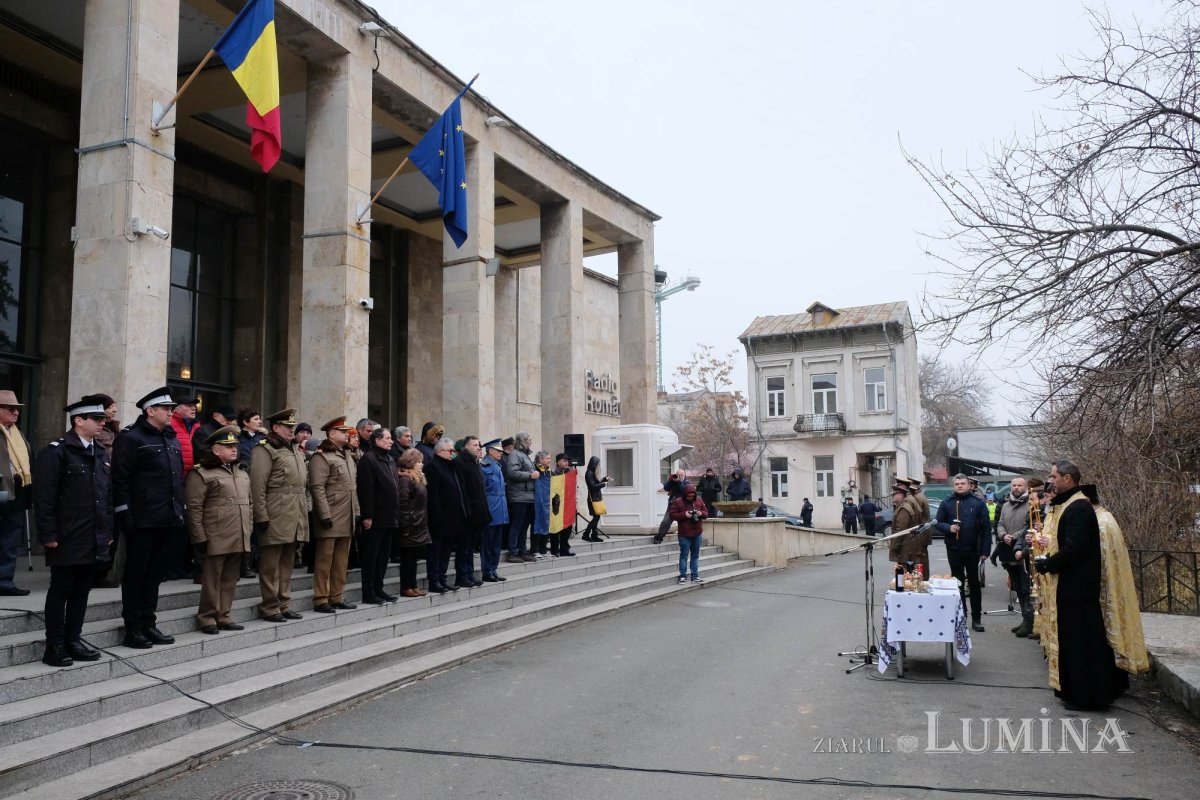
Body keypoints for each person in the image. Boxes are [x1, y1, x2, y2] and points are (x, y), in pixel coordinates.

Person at [1034, 462, 1143, 711]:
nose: (1050, 481)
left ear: (1067, 479)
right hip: (1072, 587)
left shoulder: (1079, 508)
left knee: (1081, 644)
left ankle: (1087, 696)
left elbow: (1075, 548)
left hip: (1078, 589)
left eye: (1054, 476)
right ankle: (1074, 692)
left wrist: (1048, 564)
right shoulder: (1071, 506)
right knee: (1074, 643)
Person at [33, 398, 113, 666]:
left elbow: (106, 496)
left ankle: (73, 640)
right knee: (61, 590)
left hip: (93, 534)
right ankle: (55, 645)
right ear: (79, 420)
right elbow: (44, 498)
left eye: (103, 419)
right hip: (67, 535)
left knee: (82, 590)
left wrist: (107, 531)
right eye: (97, 419)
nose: (102, 423)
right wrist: (48, 534)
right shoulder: (56, 452)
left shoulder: (99, 451)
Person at [112, 387, 185, 648]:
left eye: (171, 408)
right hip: (142, 520)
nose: (170, 412)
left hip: (167, 518)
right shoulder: (131, 438)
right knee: (136, 575)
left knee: (155, 576)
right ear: (150, 411)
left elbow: (176, 479)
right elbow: (120, 479)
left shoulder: (171, 437)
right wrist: (125, 513)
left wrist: (179, 511)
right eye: (165, 409)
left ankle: (148, 622)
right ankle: (132, 627)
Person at [186, 425, 252, 635]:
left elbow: (249, 503)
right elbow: (194, 507)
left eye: (235, 446)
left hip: (238, 532)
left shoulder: (241, 472)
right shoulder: (201, 472)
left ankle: (224, 615)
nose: (234, 449)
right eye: (228, 446)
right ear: (215, 450)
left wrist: (248, 528)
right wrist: (199, 536)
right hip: (215, 533)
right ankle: (207, 617)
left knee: (230, 578)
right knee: (212, 579)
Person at [249, 408, 310, 622]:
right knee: (270, 565)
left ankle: (284, 604)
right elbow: (257, 486)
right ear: (275, 427)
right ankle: (270, 606)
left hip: (295, 513)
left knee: (287, 563)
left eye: (293, 426)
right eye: (287, 426)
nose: (292, 430)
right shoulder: (265, 449)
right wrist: (261, 515)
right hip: (275, 513)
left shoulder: (294, 449)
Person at [308, 417, 359, 613]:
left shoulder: (347, 455)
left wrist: (357, 512)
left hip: (346, 514)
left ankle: (337, 596)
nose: (347, 434)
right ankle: (321, 598)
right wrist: (324, 515)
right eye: (342, 431)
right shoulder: (322, 457)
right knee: (324, 560)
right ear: (331, 434)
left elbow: (353, 488)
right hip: (331, 513)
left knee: (341, 560)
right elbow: (317, 487)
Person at [935, 472, 991, 632]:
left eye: (962, 483)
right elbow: (937, 522)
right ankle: (961, 617)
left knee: (974, 585)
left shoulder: (978, 503)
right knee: (957, 585)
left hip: (973, 550)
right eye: (957, 484)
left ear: (969, 485)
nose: (960, 486)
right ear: (953, 486)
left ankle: (977, 619)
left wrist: (985, 551)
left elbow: (986, 529)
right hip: (954, 549)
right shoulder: (947, 503)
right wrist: (948, 528)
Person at [355, 426, 399, 604]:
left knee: (383, 557)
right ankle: (368, 592)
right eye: (387, 438)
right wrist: (367, 516)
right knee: (371, 557)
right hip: (375, 517)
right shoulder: (369, 459)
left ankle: (379, 588)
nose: (391, 441)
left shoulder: (389, 459)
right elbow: (366, 490)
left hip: (390, 516)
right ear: (378, 440)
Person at [427, 436, 473, 587]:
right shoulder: (433, 467)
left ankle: (442, 578)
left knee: (446, 550)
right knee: (436, 550)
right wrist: (436, 517)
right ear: (440, 451)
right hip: (440, 518)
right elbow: (433, 495)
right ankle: (434, 580)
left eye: (453, 451)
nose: (453, 454)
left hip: (453, 518)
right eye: (450, 451)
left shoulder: (451, 466)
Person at [0, 389, 33, 596]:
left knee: (10, 540)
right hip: (1, 489)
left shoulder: (17, 433)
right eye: (10, 408)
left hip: (17, 493)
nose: (16, 412)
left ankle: (4, 582)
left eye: (17, 409)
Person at [993, 476, 1034, 637]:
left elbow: (1028, 526)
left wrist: (1014, 536)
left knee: (1026, 589)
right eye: (1014, 485)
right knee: (1016, 587)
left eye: (1020, 485)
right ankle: (1024, 619)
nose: (1016, 488)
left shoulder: (1030, 504)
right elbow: (1000, 523)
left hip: (1023, 550)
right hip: (1008, 550)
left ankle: (1030, 621)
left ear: (1026, 487)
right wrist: (1004, 536)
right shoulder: (1005, 505)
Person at [452, 435, 491, 583]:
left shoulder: (474, 462)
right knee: (464, 546)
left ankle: (470, 574)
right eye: (475, 445)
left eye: (478, 445)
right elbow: (462, 489)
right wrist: (467, 511)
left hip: (478, 511)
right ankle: (462, 576)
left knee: (471, 546)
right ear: (466, 447)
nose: (478, 448)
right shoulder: (460, 462)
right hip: (467, 512)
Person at [395, 448, 432, 596]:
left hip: (419, 523)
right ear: (411, 463)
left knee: (414, 557)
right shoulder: (405, 479)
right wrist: (405, 525)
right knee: (408, 558)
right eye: (419, 461)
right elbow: (403, 503)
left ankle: (413, 585)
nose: (422, 464)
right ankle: (406, 586)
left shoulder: (418, 477)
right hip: (410, 524)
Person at [503, 431, 539, 563]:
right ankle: (512, 552)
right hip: (518, 496)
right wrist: (530, 475)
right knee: (517, 524)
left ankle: (522, 551)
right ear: (522, 442)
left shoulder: (524, 455)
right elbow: (512, 473)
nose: (531, 442)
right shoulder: (515, 454)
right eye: (529, 439)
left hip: (528, 496)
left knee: (524, 526)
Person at [479, 439, 508, 581]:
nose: (501, 453)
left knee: (496, 544)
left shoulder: (498, 466)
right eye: (498, 451)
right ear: (490, 451)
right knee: (488, 544)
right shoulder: (483, 466)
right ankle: (487, 571)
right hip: (490, 509)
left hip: (500, 510)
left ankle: (493, 569)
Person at [887, 482, 930, 578]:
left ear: (900, 495)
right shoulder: (903, 506)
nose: (892, 496)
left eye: (894, 494)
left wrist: (895, 548)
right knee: (907, 575)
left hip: (906, 548)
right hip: (909, 546)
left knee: (905, 575)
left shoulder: (903, 509)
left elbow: (900, 531)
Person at [669, 485, 708, 583]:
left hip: (697, 533)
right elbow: (672, 515)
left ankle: (695, 576)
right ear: (685, 495)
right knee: (684, 556)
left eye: (692, 496)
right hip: (684, 534)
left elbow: (706, 513)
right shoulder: (678, 502)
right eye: (689, 496)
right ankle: (683, 576)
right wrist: (684, 515)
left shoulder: (699, 500)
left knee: (695, 556)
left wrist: (700, 513)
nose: (690, 497)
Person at [548, 453, 576, 557]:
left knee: (567, 527)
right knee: (555, 528)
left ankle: (564, 549)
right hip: (556, 503)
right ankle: (554, 550)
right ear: (558, 462)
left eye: (567, 461)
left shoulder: (569, 473)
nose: (567, 463)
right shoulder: (553, 473)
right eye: (564, 461)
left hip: (567, 504)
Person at [529, 450, 553, 557]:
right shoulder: (534, 469)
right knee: (537, 524)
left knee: (546, 524)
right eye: (548, 458)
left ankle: (543, 549)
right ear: (540, 459)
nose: (550, 460)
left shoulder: (549, 471)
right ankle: (535, 550)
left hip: (547, 502)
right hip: (537, 502)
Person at [654, 472, 689, 544]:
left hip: (683, 506)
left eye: (681, 475)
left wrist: (679, 482)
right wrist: (670, 480)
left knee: (683, 524)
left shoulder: (687, 482)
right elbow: (665, 487)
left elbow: (683, 490)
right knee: (665, 522)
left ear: (684, 475)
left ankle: (685, 539)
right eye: (678, 474)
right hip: (672, 505)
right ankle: (659, 537)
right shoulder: (673, 482)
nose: (679, 476)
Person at [581, 455, 609, 542]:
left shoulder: (592, 473)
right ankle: (586, 534)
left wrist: (604, 479)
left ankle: (594, 535)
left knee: (596, 517)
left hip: (595, 498)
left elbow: (596, 483)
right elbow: (593, 486)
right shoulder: (589, 473)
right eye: (598, 464)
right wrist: (603, 484)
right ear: (594, 464)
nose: (599, 466)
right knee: (596, 517)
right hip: (592, 499)